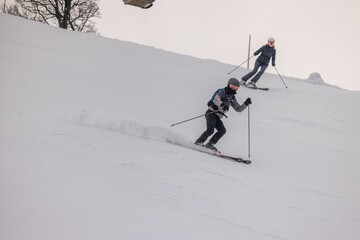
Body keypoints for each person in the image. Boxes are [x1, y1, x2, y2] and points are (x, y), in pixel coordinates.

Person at [194, 78, 252, 151]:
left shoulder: (232, 98)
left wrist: (246, 104)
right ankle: (199, 142)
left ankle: (210, 144)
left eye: (236, 88)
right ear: (228, 85)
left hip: (218, 116)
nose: (233, 89)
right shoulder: (222, 91)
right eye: (232, 86)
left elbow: (238, 109)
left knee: (222, 130)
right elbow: (216, 99)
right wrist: (222, 105)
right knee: (210, 130)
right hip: (211, 113)